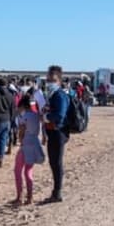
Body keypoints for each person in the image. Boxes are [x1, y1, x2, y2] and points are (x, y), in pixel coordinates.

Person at [43, 65, 70, 203]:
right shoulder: (51, 95)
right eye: (48, 80)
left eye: (52, 80)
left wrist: (46, 117)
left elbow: (60, 115)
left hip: (58, 132)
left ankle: (57, 192)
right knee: (53, 162)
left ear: (59, 81)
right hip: (52, 132)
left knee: (57, 162)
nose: (49, 82)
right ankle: (55, 192)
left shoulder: (60, 95)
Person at [14, 93, 44, 205]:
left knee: (18, 170)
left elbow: (21, 131)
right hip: (34, 141)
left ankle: (19, 196)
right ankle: (30, 197)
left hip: (26, 142)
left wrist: (20, 140)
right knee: (28, 170)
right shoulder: (36, 115)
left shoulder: (24, 116)